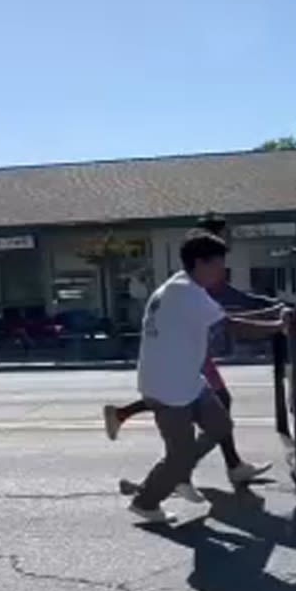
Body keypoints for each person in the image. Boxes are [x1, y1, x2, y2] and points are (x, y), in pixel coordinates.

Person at [102, 213, 283, 498]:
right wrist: (279, 321)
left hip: (184, 369)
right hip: (174, 378)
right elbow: (233, 325)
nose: (223, 270)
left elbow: (226, 316)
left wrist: (270, 315)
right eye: (220, 263)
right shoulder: (191, 291)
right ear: (203, 258)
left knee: (219, 420)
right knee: (182, 448)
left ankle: (191, 469)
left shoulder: (183, 282)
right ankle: (157, 491)